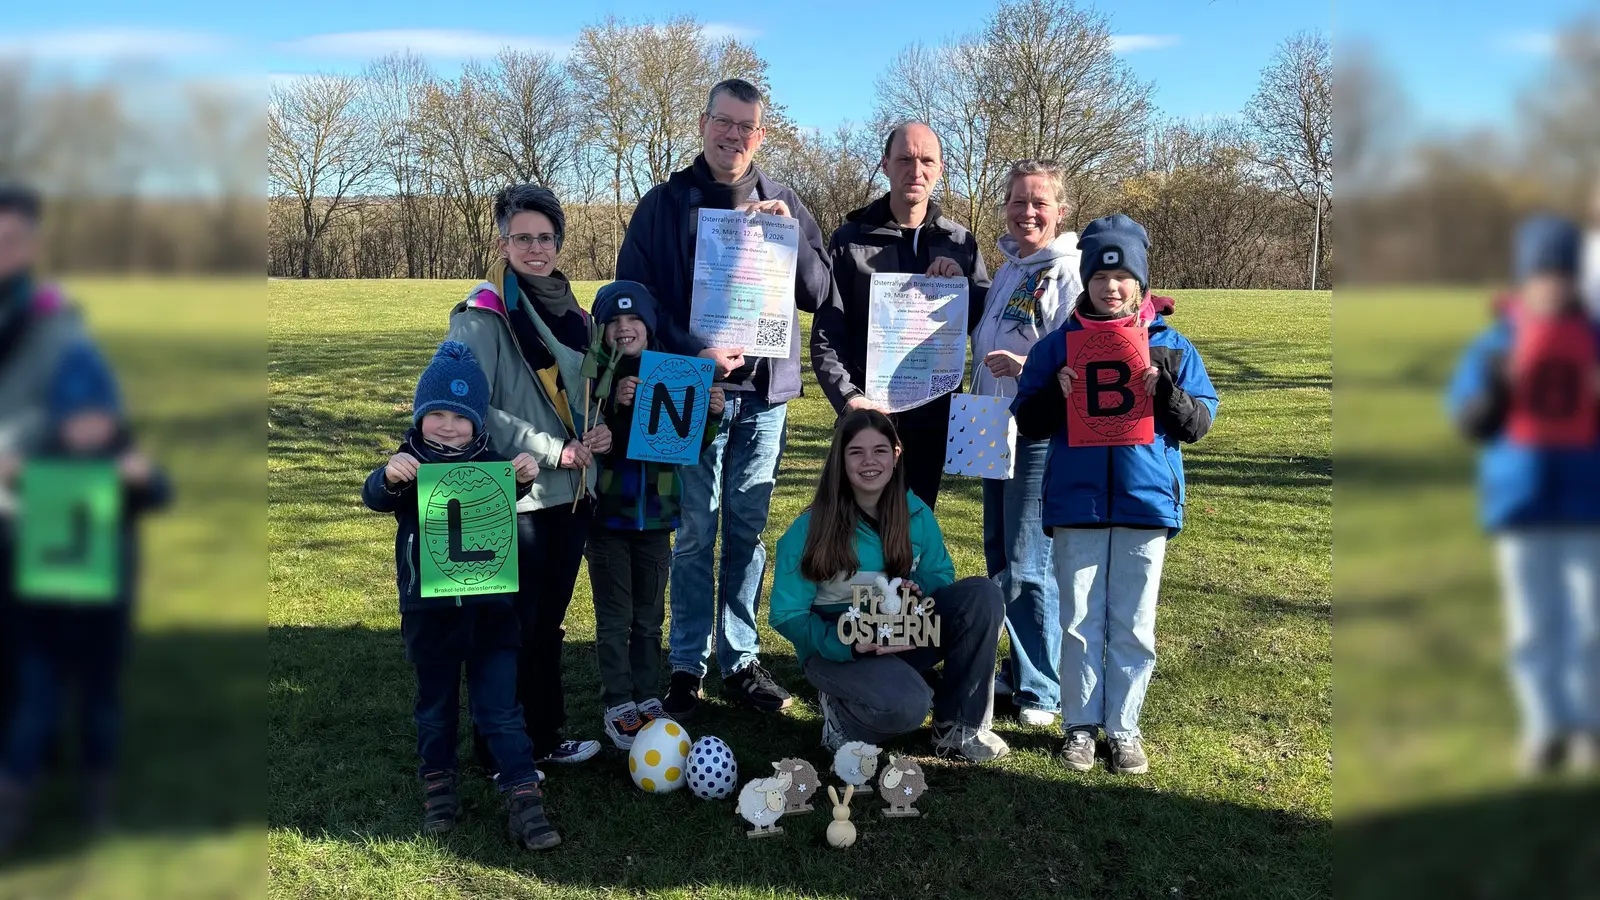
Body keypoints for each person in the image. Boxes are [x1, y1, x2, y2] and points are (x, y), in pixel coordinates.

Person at [616, 78, 836, 720]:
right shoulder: (662, 204)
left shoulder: (784, 201)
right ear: (704, 123)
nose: (733, 135)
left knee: (746, 528)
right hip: (680, 384)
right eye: (724, 122)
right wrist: (692, 355)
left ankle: (738, 657)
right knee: (691, 531)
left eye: (747, 127)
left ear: (760, 136)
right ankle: (686, 664)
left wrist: (790, 237)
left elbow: (819, 293)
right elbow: (634, 298)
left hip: (763, 394)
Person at [1012, 214, 1218, 775]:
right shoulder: (1057, 347)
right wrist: (1055, 396)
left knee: (1133, 621)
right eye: (1100, 276)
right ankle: (1080, 726)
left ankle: (1124, 727)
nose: (1111, 286)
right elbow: (1027, 420)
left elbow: (1200, 423)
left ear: (1141, 281)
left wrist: (1168, 395)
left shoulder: (1171, 347)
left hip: (1144, 501)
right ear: (1085, 280)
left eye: (1123, 275)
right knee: (1078, 619)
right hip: (1077, 502)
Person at [361, 341, 560, 848]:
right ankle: (439, 787)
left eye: (460, 416)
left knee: (500, 709)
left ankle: (523, 796)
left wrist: (521, 479)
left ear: (477, 422)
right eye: (437, 415)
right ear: (420, 416)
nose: (448, 426)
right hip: (429, 615)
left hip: (492, 612)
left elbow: (500, 501)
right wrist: (387, 475)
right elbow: (375, 495)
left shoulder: (490, 463)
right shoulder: (408, 468)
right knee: (435, 707)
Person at [447, 184, 605, 767]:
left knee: (547, 627)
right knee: (507, 629)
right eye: (523, 238)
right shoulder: (482, 315)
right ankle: (497, 747)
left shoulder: (576, 314)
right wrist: (553, 448)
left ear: (559, 243)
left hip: (572, 497)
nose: (535, 248)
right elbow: (469, 408)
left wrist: (599, 432)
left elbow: (584, 395)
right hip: (515, 494)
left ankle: (542, 736)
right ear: (502, 241)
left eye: (545, 237)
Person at [0, 341, 170, 851]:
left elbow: (160, 492)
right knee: (35, 704)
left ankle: (98, 795)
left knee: (100, 704)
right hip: (40, 614)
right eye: (76, 419)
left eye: (96, 419)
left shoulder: (123, 462)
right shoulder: (35, 458)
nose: (85, 430)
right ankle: (13, 802)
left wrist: (141, 477)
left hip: (104, 614)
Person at [1447, 214, 1600, 775]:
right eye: (1541, 275)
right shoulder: (1500, 340)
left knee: (1589, 623)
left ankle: (1587, 725)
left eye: (1562, 275)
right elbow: (1469, 423)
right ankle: (1545, 725)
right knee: (1533, 624)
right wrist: (1497, 387)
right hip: (1521, 504)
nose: (1551, 287)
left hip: (1588, 504)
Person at [768, 408, 1011, 762]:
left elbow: (942, 574)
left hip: (903, 632)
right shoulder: (809, 529)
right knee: (910, 706)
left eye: (880, 450)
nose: (870, 461)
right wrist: (845, 644)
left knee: (982, 595)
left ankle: (959, 726)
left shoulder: (917, 514)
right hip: (838, 648)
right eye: (857, 452)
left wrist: (916, 588)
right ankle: (842, 718)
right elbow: (786, 614)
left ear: (896, 455)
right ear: (841, 458)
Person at [810, 121, 991, 509]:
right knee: (857, 534)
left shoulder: (961, 242)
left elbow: (981, 323)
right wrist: (850, 400)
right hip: (869, 419)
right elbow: (827, 334)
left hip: (933, 419)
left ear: (940, 169)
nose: (916, 169)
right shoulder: (850, 240)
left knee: (917, 529)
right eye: (905, 159)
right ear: (885, 165)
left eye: (927, 160)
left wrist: (962, 289)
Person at [582, 280, 726, 748]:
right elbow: (594, 436)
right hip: (608, 517)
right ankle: (617, 700)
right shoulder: (593, 377)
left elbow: (685, 449)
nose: (625, 329)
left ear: (649, 324)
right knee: (614, 615)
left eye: (634, 320)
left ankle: (647, 694)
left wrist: (711, 416)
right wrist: (614, 406)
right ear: (601, 330)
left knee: (648, 616)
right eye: (614, 323)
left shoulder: (674, 373)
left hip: (657, 518)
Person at [968, 159, 1082, 728]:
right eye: (1018, 201)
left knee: (1027, 558)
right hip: (989, 420)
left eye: (1040, 203)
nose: (1028, 212)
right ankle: (1018, 666)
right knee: (998, 550)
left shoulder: (1066, 270)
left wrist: (1027, 365)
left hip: (1034, 427)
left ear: (1061, 211)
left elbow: (1078, 349)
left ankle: (1041, 686)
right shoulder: (1010, 267)